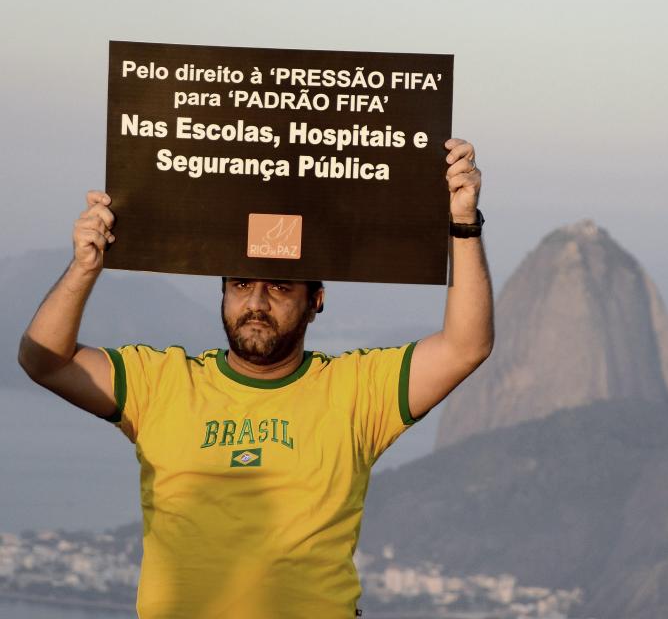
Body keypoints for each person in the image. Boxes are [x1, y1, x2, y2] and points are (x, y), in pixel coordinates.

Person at [18, 138, 494, 618]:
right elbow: (45, 360)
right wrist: (84, 266)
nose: (257, 304)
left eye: (280, 287)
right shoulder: (160, 383)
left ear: (316, 301)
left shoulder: (356, 391)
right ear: (222, 294)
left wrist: (463, 225)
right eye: (241, 285)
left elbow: (465, 347)